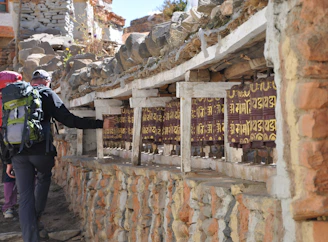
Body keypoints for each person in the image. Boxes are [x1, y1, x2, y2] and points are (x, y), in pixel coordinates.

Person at [6, 69, 104, 242]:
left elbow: (4, 127)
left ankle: (31, 237)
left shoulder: (18, 96)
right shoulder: (47, 93)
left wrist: (7, 160)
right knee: (43, 178)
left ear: (32, 81)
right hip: (41, 152)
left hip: (18, 153)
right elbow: (68, 120)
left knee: (25, 195)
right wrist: (100, 124)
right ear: (47, 81)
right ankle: (36, 218)